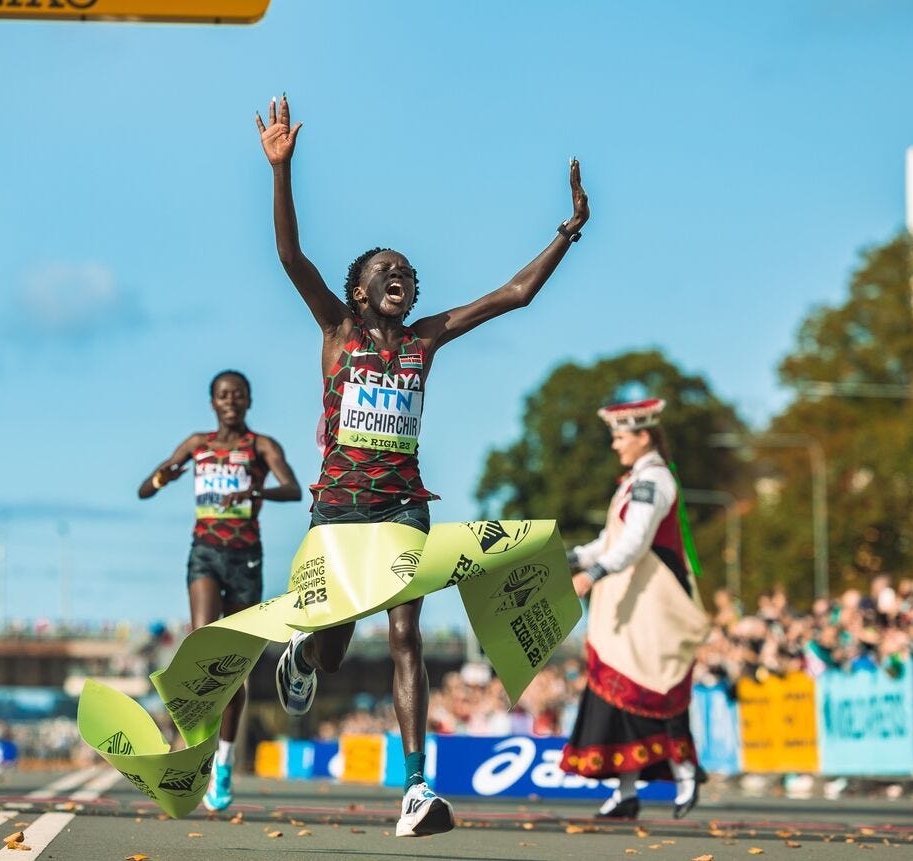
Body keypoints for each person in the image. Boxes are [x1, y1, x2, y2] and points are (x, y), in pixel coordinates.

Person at [255, 94, 589, 837]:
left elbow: (515, 294)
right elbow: (288, 256)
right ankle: (306, 650)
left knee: (405, 637)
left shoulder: (425, 339)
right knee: (338, 642)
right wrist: (282, 172)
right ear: (358, 291)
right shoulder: (337, 329)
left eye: (407, 269)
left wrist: (567, 232)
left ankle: (415, 789)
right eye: (386, 270)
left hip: (406, 506)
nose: (401, 274)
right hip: (338, 508)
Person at [138, 369, 301, 812]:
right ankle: (195, 750)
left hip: (245, 560)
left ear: (248, 401)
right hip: (205, 554)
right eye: (223, 395)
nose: (231, 401)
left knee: (232, 668)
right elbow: (144, 490)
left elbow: (293, 488)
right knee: (203, 645)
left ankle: (224, 761)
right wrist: (164, 476)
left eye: (239, 395)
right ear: (212, 402)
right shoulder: (197, 445)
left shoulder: (260, 446)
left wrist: (256, 488)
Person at [560, 398, 710, 820]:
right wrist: (570, 557)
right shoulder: (634, 481)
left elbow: (634, 543)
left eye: (621, 437)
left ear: (644, 436)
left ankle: (684, 772)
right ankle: (626, 791)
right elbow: (611, 541)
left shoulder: (653, 481)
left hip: (656, 598)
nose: (615, 446)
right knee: (620, 688)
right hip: (632, 596)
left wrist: (592, 574)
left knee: (656, 684)